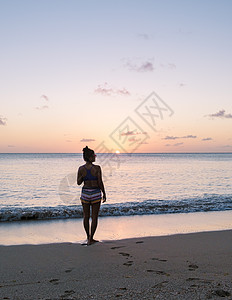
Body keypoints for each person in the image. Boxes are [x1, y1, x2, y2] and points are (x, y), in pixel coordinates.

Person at [77, 146, 106, 245]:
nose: (95, 157)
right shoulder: (97, 168)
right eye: (94, 155)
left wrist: (82, 175)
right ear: (90, 157)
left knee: (86, 216)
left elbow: (78, 182)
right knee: (94, 217)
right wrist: (104, 193)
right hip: (95, 193)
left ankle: (87, 236)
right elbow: (100, 182)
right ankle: (91, 239)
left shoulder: (81, 169)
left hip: (85, 193)